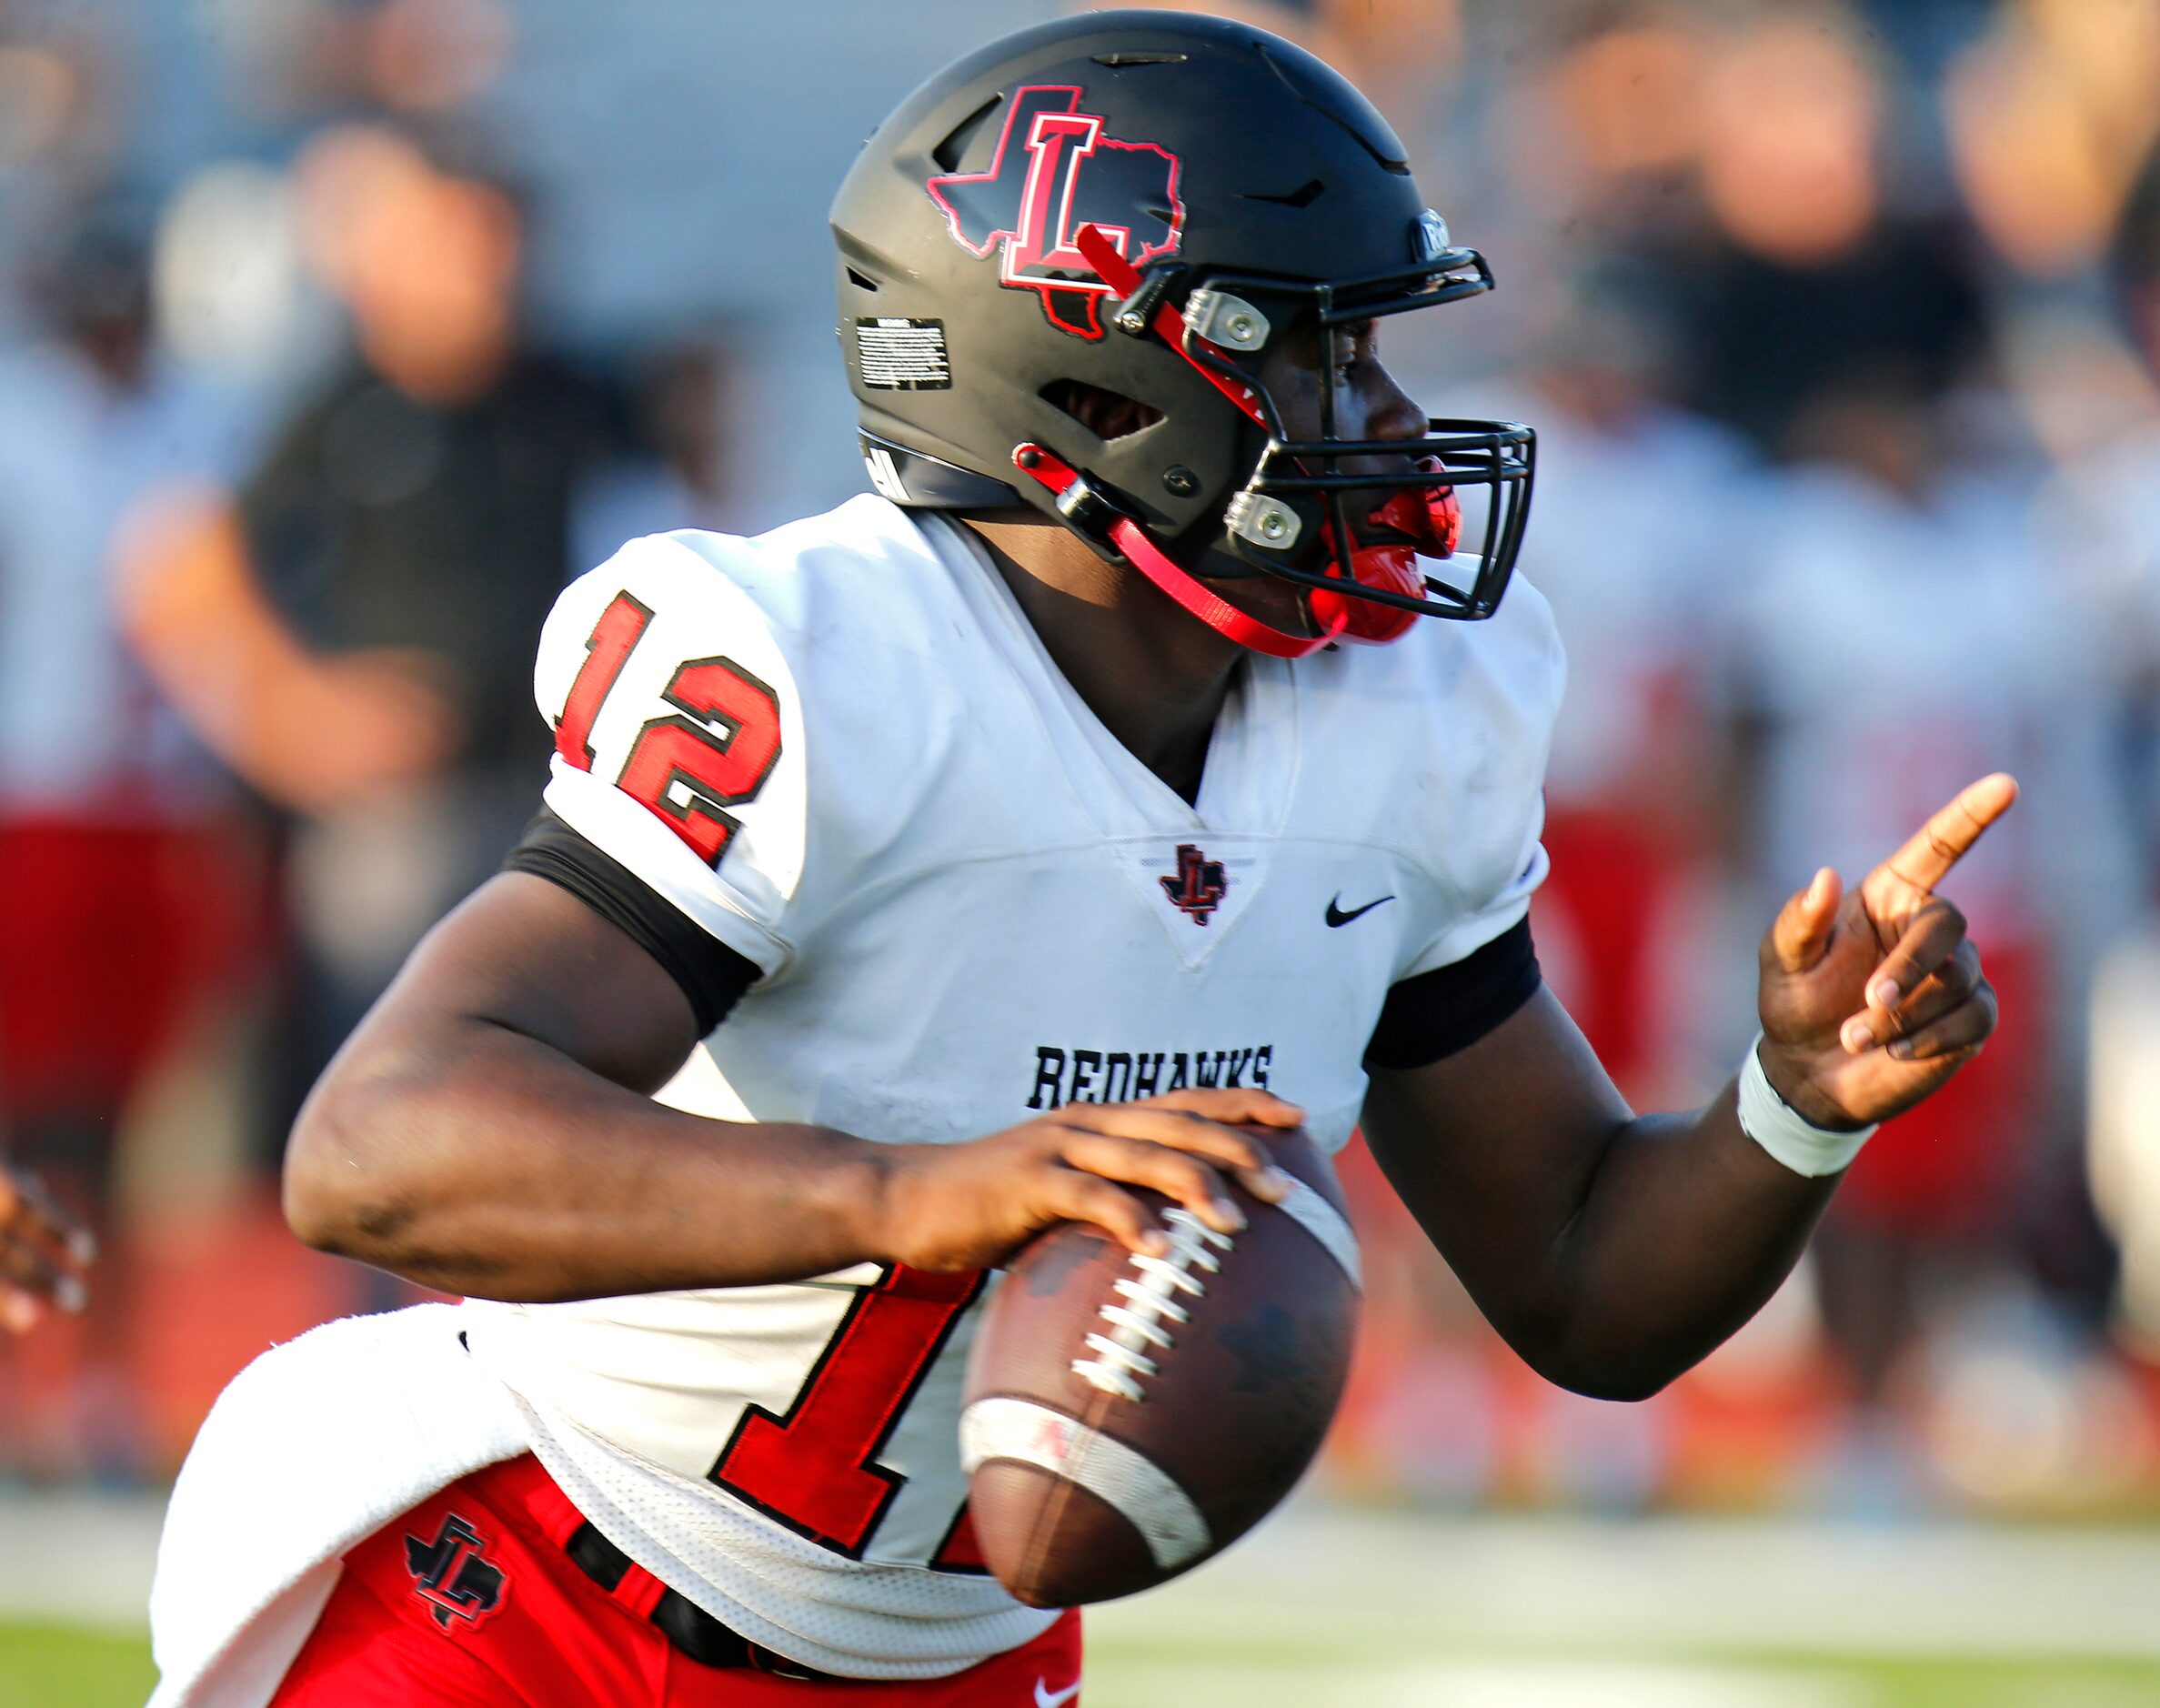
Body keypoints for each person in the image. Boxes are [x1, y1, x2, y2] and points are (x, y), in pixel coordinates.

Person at [147, 14, 2010, 1705]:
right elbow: (374, 1146)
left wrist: (1790, 1110)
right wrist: (902, 1195)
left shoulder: (1406, 715)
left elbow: (1589, 1291)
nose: (1379, 418)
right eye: (1319, 347)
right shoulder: (827, 667)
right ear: (1102, 389)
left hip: (959, 1668)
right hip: (542, 1613)